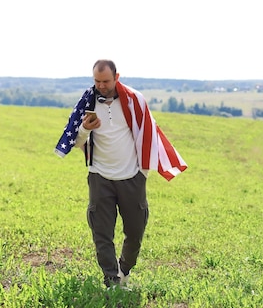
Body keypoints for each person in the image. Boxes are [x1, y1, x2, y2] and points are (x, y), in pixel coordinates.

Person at [54, 59, 187, 288]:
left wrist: (142, 174)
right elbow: (75, 141)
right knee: (101, 233)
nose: (101, 86)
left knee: (135, 232)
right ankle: (112, 280)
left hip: (131, 177)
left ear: (117, 77)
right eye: (97, 81)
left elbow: (148, 136)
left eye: (105, 81)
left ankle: (124, 269)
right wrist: (86, 128)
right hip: (100, 176)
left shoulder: (135, 100)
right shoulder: (87, 101)